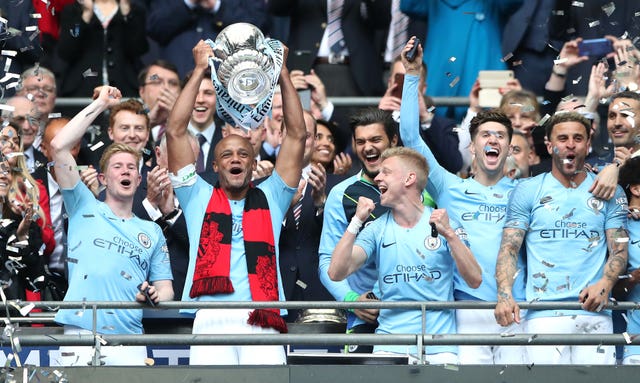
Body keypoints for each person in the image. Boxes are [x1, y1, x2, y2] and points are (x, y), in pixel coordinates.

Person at [166, 40, 305, 365]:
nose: (235, 158)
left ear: (253, 162)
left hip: (264, 316)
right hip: (212, 316)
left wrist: (282, 73)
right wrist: (200, 68)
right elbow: (175, 132)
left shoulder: (273, 194)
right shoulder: (196, 195)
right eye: (226, 154)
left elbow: (297, 136)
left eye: (244, 153)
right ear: (214, 166)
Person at [399, 37, 526, 364]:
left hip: (518, 306)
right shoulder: (449, 186)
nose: (493, 139)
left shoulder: (528, 191)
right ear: (472, 147)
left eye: (500, 135)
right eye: (485, 134)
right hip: (467, 307)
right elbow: (411, 137)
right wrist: (411, 74)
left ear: (511, 149)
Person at [50, 85, 173, 366]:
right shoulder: (83, 205)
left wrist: (156, 294)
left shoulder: (151, 231)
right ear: (103, 179)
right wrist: (101, 105)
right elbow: (59, 146)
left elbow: (166, 288)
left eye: (132, 167)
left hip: (130, 338)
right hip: (80, 334)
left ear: (139, 180)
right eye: (117, 166)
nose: (126, 170)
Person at [494, 111, 628, 365]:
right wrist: (505, 294)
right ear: (549, 145)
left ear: (588, 145)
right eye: (563, 138)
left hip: (594, 313)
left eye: (578, 138)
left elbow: (619, 251)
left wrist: (605, 284)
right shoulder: (528, 189)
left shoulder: (609, 190)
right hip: (543, 314)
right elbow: (510, 248)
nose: (570, 144)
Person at [328, 146, 481, 363]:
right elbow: (336, 272)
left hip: (440, 346)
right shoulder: (375, 228)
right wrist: (356, 221)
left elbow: (475, 279)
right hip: (390, 344)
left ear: (409, 178)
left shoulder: (445, 224)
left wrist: (450, 235)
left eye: (386, 172)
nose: (378, 177)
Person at [278, 110, 334, 322]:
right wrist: (281, 208)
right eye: (293, 133)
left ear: (316, 141)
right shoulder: (258, 186)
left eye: (307, 135)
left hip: (320, 297)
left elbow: (342, 238)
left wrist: (321, 203)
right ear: (280, 136)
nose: (300, 140)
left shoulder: (335, 185)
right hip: (273, 297)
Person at [378, 54, 462, 173]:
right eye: (401, 78)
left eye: (413, 80)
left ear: (423, 88)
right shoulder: (374, 120)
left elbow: (454, 164)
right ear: (390, 83)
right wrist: (378, 119)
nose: (407, 85)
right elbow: (356, 156)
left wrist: (426, 118)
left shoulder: (443, 126)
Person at [147, 0, 269, 78]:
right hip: (176, 81)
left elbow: (255, 29)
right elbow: (154, 28)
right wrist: (188, 3)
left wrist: (216, 5)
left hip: (228, 84)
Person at [57, 0, 148, 97]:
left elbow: (138, 48)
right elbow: (66, 51)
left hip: (124, 88)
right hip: (82, 89)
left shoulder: (134, 10)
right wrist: (85, 16)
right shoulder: (73, 10)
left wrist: (126, 13)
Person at [616, 156, 640, 365]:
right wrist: (634, 278)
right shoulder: (617, 226)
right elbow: (609, 289)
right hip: (635, 342)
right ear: (636, 189)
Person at [137, 60, 182, 145]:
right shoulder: (128, 120)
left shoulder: (193, 123)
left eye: (173, 83)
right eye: (157, 82)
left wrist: (178, 119)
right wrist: (148, 124)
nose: (165, 88)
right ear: (142, 91)